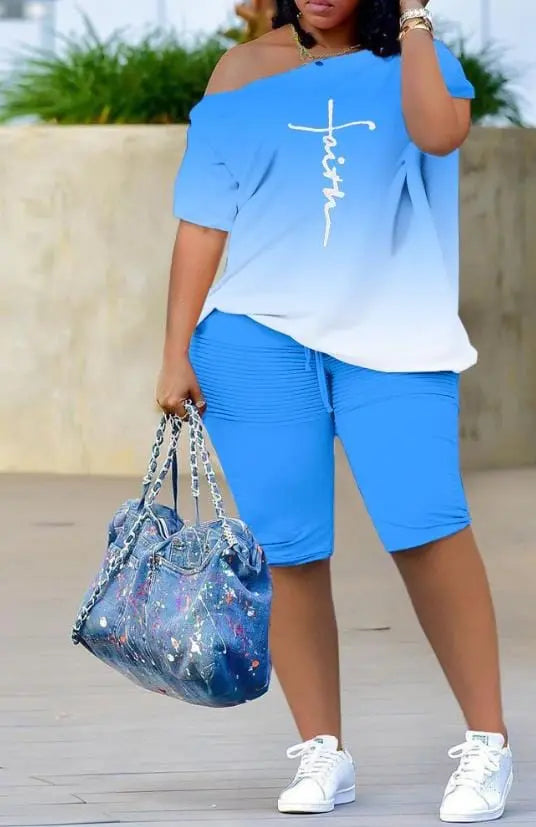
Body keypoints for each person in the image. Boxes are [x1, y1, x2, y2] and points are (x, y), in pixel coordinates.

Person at [156, 0, 513, 820]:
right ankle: (322, 749)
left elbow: (438, 134)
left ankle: (488, 745)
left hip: (395, 333)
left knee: (427, 525)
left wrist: (416, 22)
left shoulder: (419, 61)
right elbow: (202, 221)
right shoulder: (241, 72)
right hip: (254, 340)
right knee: (287, 544)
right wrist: (175, 348)